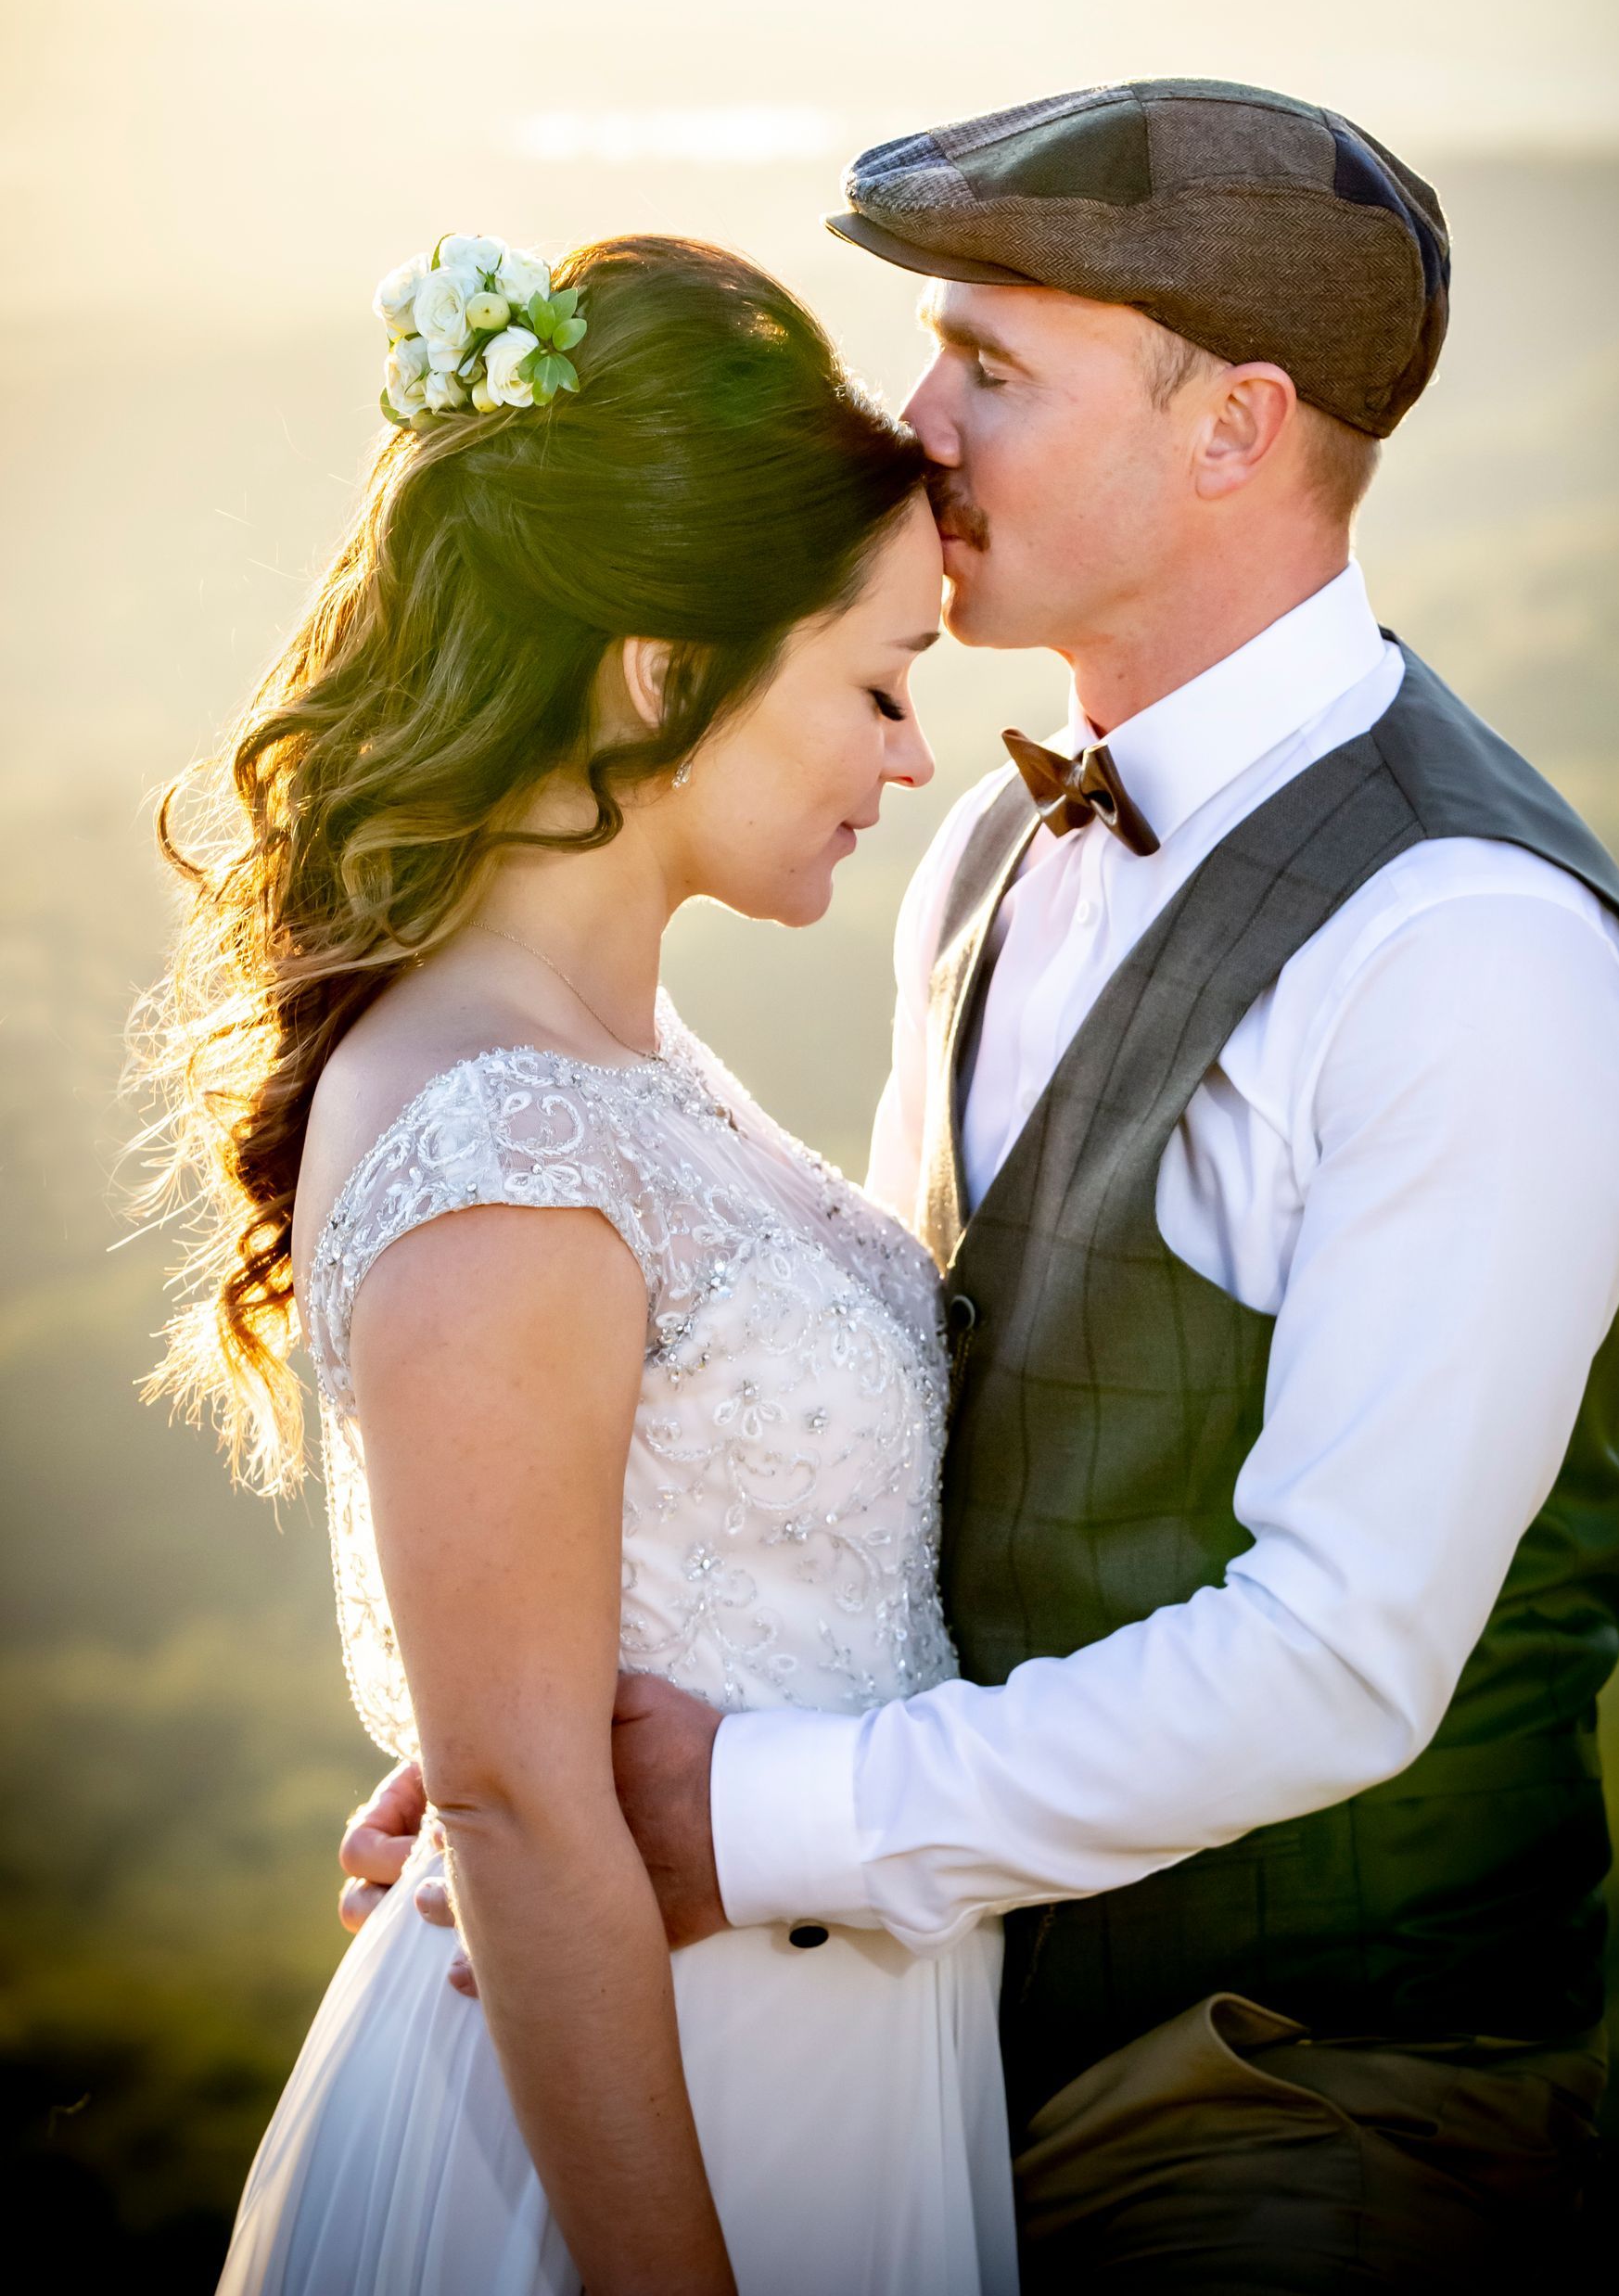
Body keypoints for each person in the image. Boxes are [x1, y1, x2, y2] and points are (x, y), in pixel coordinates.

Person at [346, 83, 1619, 2289]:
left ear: (1236, 428)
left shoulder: (1477, 950)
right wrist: (529, 1775)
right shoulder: (984, 846)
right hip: (938, 2038)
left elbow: (1347, 1658)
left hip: (1304, 2089)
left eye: (993, 366)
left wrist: (740, 1814)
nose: (917, 424)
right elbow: (897, 1437)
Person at [143, 232, 1018, 2296]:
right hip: (645, 2149)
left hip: (824, 2061)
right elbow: (529, 1817)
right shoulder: (512, 1148)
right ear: (660, 671)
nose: (910, 761)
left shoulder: (607, 1059)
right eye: (879, 685)